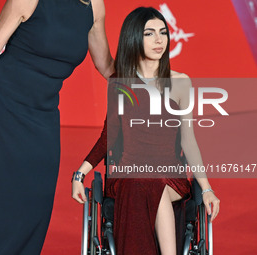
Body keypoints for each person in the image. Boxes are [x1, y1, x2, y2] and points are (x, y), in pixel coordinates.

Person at [0, 0, 114, 254]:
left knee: (37, 198)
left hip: (44, 110)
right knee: (4, 195)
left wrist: (147, 75)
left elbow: (106, 66)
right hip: (4, 102)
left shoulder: (93, 6)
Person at [72, 7, 220, 255]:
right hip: (129, 174)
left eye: (163, 32)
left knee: (152, 180)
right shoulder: (120, 83)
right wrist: (80, 174)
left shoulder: (181, 82)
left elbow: (189, 141)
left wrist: (206, 189)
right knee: (145, 180)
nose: (159, 40)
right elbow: (109, 136)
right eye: (149, 33)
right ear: (134, 38)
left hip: (170, 175)